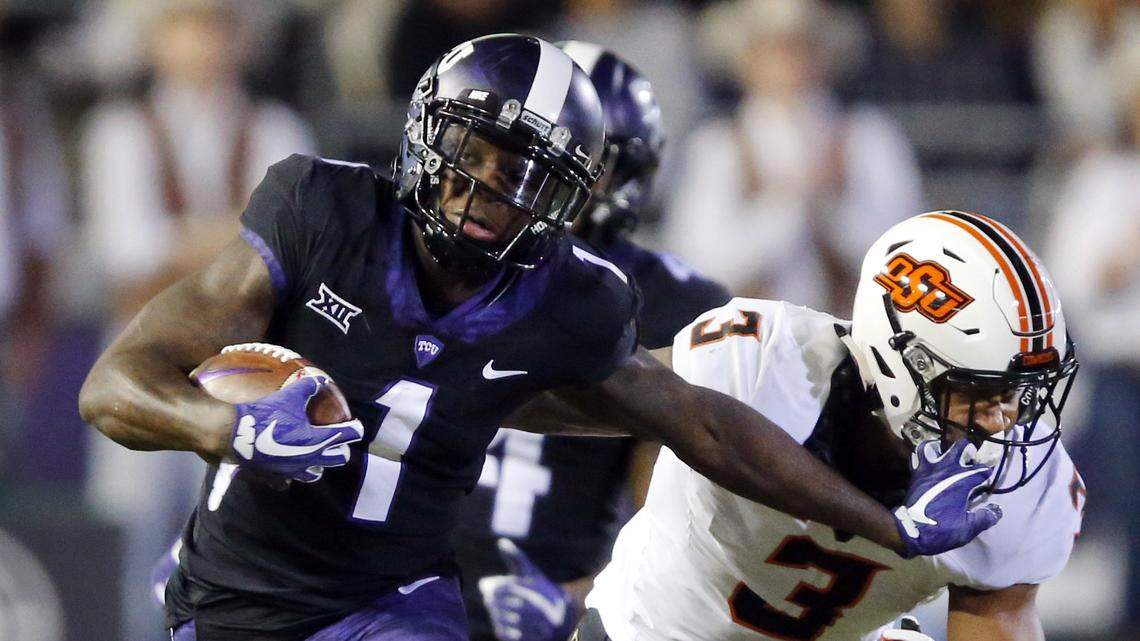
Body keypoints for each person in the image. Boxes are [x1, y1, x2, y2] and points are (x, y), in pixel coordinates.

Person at [79, 35, 999, 641]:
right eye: (472, 151)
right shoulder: (320, 210)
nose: (488, 187)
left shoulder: (574, 297)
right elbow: (113, 385)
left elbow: (705, 425)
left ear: (569, 197)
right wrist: (223, 427)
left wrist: (888, 522)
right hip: (226, 590)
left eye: (526, 173)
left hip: (391, 601)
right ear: (425, 136)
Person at [565, 211, 1083, 641]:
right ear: (899, 364)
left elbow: (999, 618)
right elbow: (615, 393)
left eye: (1018, 394)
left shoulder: (1019, 482)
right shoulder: (768, 363)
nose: (1004, 418)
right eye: (977, 391)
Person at [457, 41, 731, 641]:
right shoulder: (426, 254)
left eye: (581, 158)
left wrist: (575, 601)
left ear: (620, 179)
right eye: (526, 152)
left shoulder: (668, 305)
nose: (542, 177)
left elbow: (682, 535)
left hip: (555, 606)